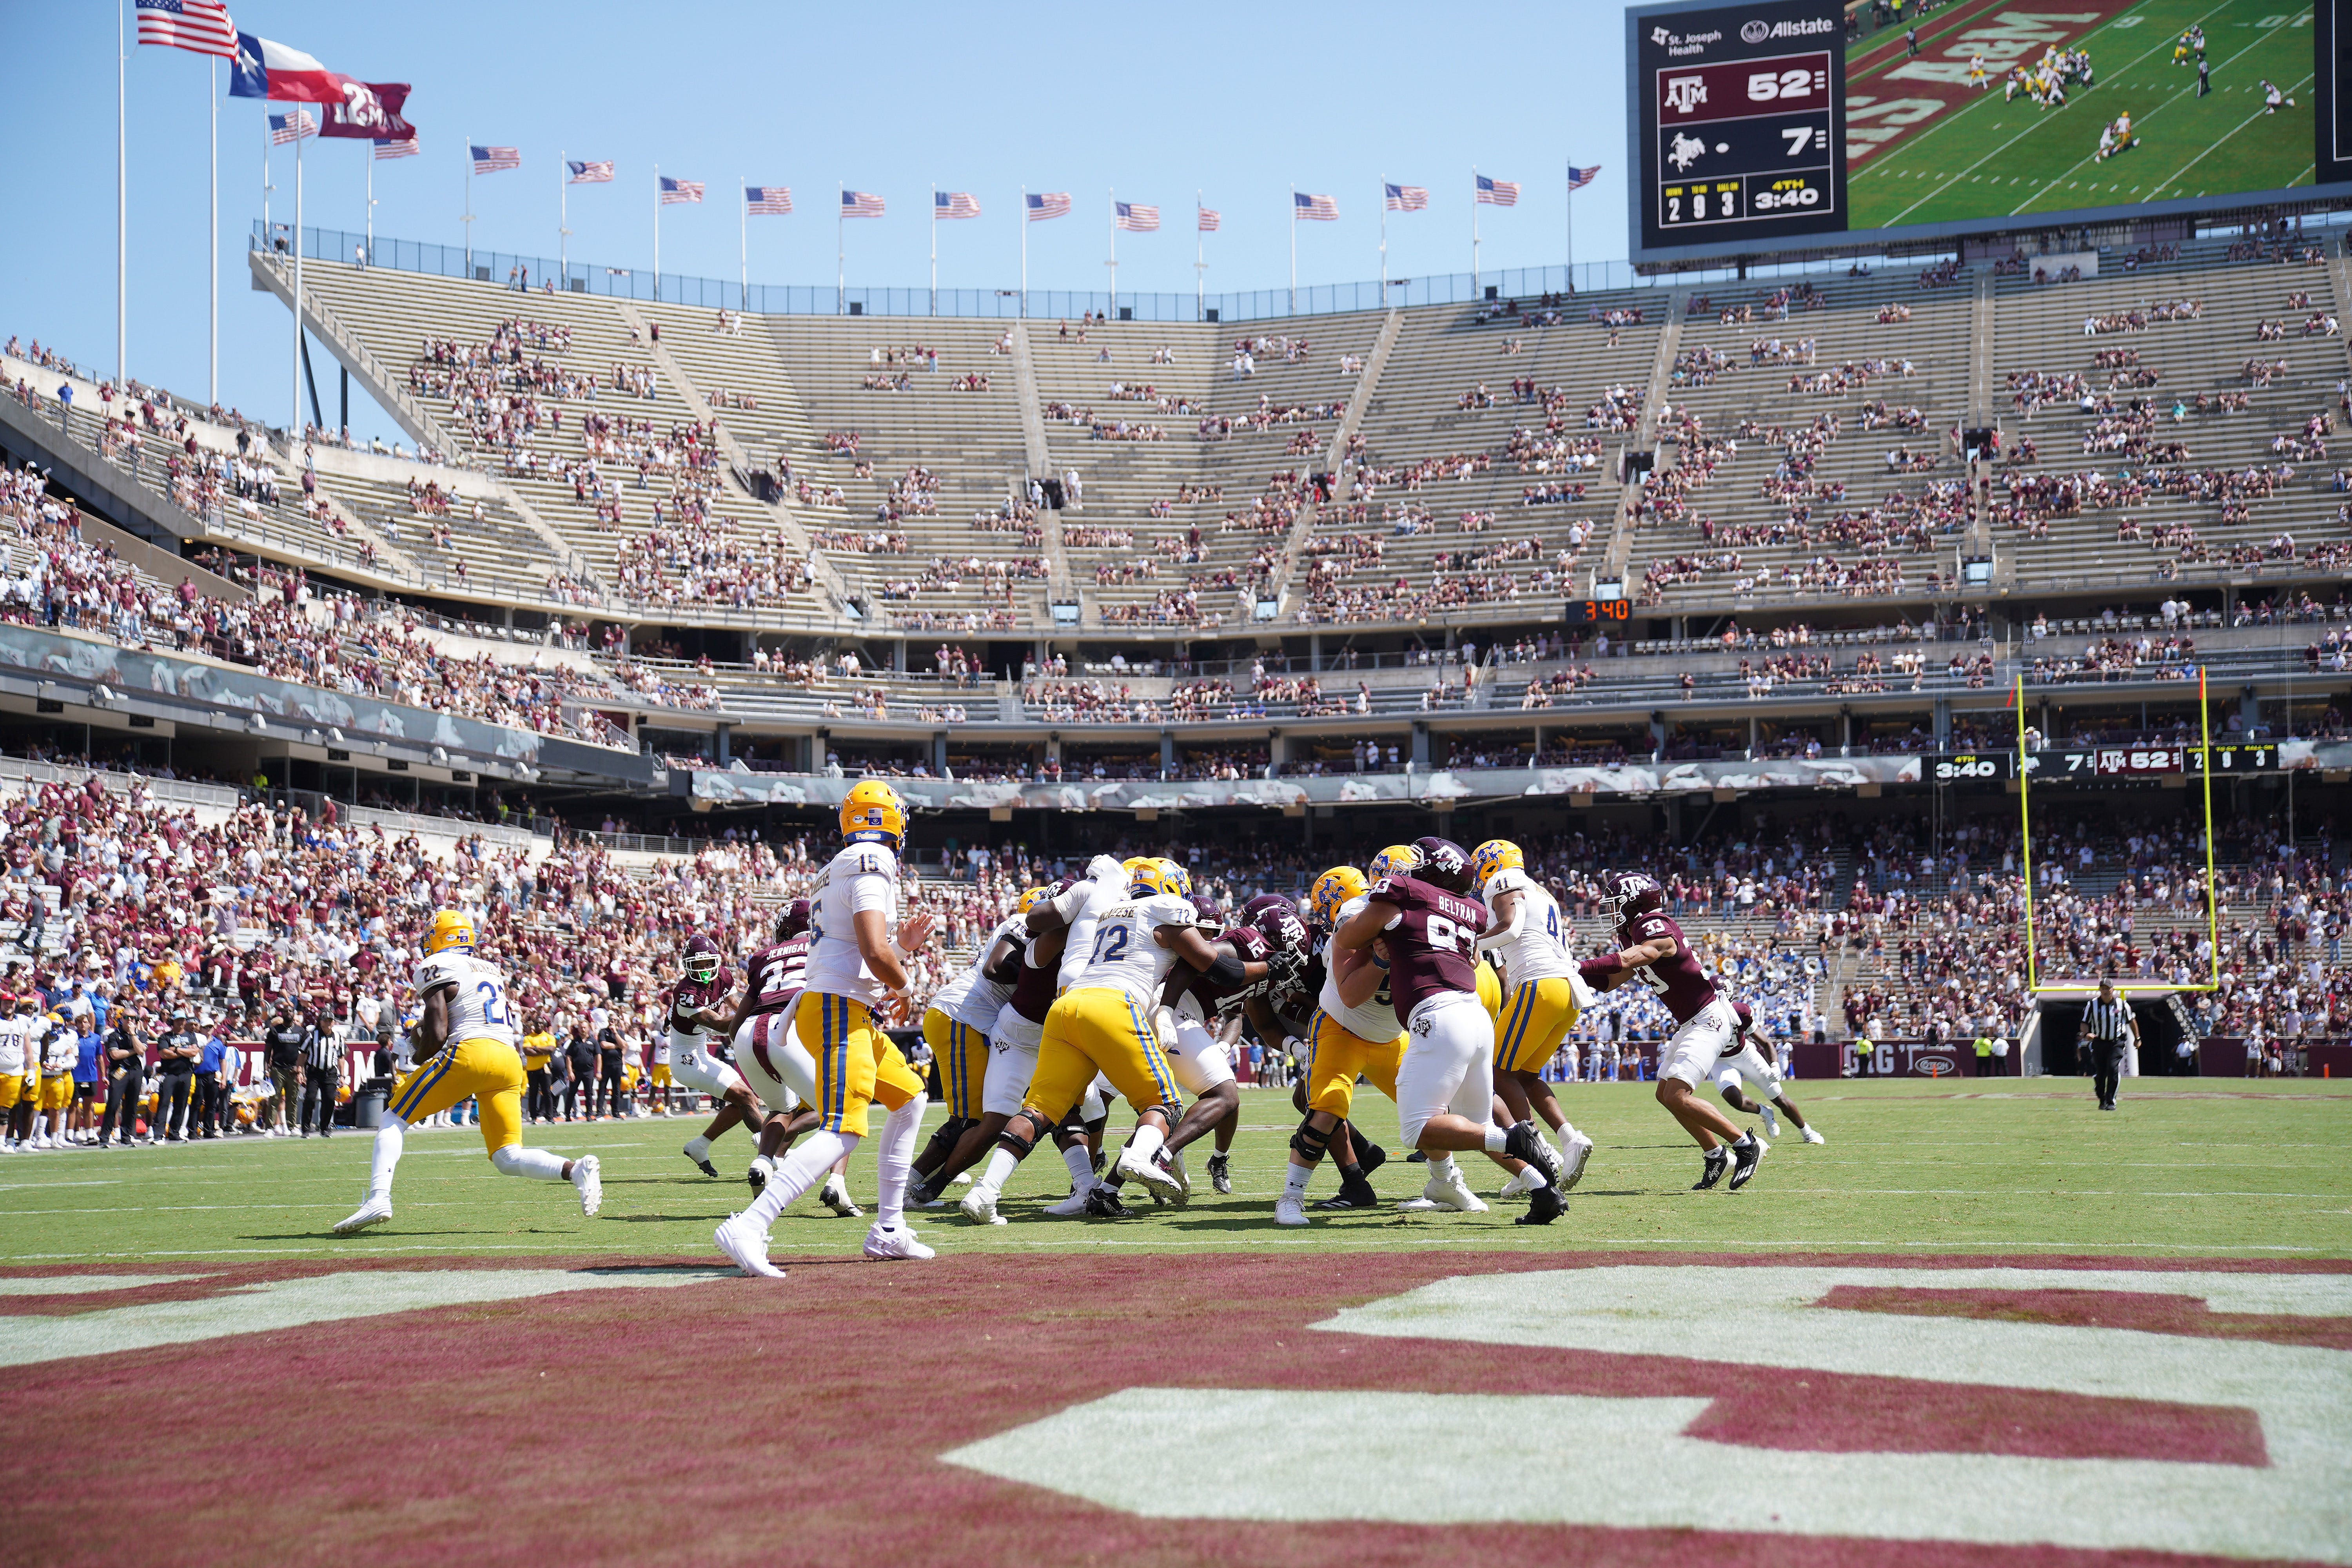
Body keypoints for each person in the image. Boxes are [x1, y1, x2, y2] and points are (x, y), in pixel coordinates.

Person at [714, 780, 936, 1276]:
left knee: (910, 1097)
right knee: (844, 1128)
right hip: (837, 1008)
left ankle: (890, 1229)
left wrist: (899, 952)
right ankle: (751, 1223)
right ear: (890, 818)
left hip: (843, 1005)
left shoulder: (841, 867)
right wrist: (903, 981)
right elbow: (874, 955)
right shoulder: (871, 862)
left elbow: (858, 953)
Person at [958, 856, 1253, 1226]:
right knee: (1163, 1104)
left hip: (1066, 1008)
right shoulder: (1167, 909)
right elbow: (1217, 966)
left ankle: (985, 1192)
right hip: (1114, 1004)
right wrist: (1269, 966)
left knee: (1037, 1110)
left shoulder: (1112, 911)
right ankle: (1138, 1157)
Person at [1332, 838, 1564, 1225]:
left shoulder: (1404, 892)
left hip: (1437, 1016)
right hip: (1475, 1017)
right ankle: (1544, 1191)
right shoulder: (1471, 910)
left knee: (1418, 1131)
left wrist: (1379, 933)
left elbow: (1346, 938)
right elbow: (1472, 952)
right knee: (1478, 1126)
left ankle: (1516, 1138)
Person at [334, 909, 601, 1234]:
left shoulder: (437, 966)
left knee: (393, 1118)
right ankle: (576, 1171)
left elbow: (439, 1031)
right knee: (506, 1156)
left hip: (472, 1052)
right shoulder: (489, 967)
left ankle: (378, 1198)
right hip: (507, 1060)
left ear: (441, 937)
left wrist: (420, 1052)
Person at [1580, 871, 1769, 1191]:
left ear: (1633, 902)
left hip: (1709, 1016)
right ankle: (1715, 1155)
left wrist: (1579, 966)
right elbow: (1612, 981)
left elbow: (1646, 954)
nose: (1611, 913)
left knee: (1679, 1095)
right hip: (1691, 1021)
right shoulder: (1632, 936)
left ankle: (1745, 1144)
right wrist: (1567, 973)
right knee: (1666, 1095)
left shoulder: (1652, 925)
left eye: (1615, 905)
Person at [1472, 838, 1597, 1192]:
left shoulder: (1503, 882)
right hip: (1567, 991)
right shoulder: (1543, 892)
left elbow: (1509, 928)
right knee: (1525, 1075)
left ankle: (1538, 1157)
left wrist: (1469, 943)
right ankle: (1570, 1140)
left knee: (1495, 1072)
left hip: (1539, 984)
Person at [669, 934, 768, 1176]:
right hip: (685, 1058)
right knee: (745, 1096)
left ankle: (699, 1146)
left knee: (746, 1101)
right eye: (698, 964)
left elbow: (735, 1002)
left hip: (700, 1050)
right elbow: (721, 1026)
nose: (704, 969)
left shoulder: (723, 975)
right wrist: (760, 1012)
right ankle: (773, 1152)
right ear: (687, 966)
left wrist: (758, 1009)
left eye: (707, 963)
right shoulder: (687, 992)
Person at [1717, 1002, 1825, 1144]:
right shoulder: (1702, 1014)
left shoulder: (1740, 1012)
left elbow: (1766, 1042)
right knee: (1733, 1098)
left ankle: (1807, 1132)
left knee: (1779, 1097)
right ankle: (1764, 1112)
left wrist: (1774, 1065)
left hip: (1745, 1055)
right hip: (1721, 1061)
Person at [2083, 977, 2137, 1111]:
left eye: (2108, 988)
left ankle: (2111, 1100)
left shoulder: (2122, 1005)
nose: (2106, 991)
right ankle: (2102, 1098)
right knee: (2100, 1073)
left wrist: (2138, 1038)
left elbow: (2131, 1021)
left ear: (2113, 989)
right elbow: (2084, 1022)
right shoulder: (2092, 1005)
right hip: (2099, 1042)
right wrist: (2086, 1034)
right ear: (2100, 990)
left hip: (2116, 1042)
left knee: (2113, 1068)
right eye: (2103, 988)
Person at [152, 1005, 200, 1143]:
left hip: (186, 1074)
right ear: (173, 1021)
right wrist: (184, 1051)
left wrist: (177, 1049)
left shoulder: (191, 1036)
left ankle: (175, 1132)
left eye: (183, 1020)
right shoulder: (165, 1037)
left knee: (181, 1104)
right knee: (164, 1104)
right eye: (178, 1020)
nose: (181, 1023)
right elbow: (164, 1053)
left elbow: (194, 1052)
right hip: (170, 1074)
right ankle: (159, 1134)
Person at [97, 1004, 143, 1148]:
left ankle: (127, 1137)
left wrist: (133, 1035)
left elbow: (141, 1050)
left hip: (135, 1071)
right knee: (114, 1103)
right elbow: (115, 1055)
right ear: (121, 1019)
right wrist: (133, 1051)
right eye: (126, 1018)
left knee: (131, 1105)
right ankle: (105, 1137)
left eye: (132, 1018)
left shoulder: (141, 1034)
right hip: (119, 1071)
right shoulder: (113, 1035)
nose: (129, 1020)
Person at [262, 1006, 306, 1137]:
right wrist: (266, 1069)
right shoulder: (274, 1031)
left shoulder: (301, 1031)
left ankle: (292, 1127)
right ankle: (270, 1128)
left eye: (291, 1011)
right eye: (286, 1011)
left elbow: (304, 1054)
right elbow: (268, 1052)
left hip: (294, 1070)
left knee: (292, 1100)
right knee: (274, 1098)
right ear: (282, 1014)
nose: (288, 1013)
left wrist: (300, 1070)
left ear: (294, 1014)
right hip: (278, 1069)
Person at [301, 1007, 342, 1137]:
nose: (329, 1023)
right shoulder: (312, 1035)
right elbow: (303, 1053)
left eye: (331, 1021)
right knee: (310, 1099)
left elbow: (341, 1056)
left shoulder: (338, 1037)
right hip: (314, 1072)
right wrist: (300, 1070)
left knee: (330, 1099)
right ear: (321, 1022)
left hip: (331, 1072)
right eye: (326, 1021)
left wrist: (343, 1075)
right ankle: (305, 1129)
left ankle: (325, 1128)